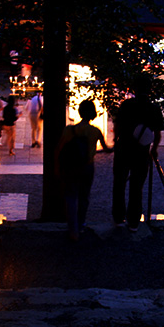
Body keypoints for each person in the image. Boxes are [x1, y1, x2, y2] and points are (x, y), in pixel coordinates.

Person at [112, 77, 164, 231]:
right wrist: (154, 149)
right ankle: (133, 221)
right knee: (137, 187)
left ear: (134, 89)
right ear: (149, 90)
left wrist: (116, 141)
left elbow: (118, 125)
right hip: (141, 151)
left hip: (123, 148)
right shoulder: (153, 108)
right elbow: (157, 133)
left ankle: (118, 217)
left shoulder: (126, 105)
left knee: (119, 183)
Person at [56, 100, 111, 241]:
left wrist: (57, 166)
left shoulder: (69, 130)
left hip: (71, 166)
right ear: (93, 113)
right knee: (84, 197)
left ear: (80, 112)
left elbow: (60, 149)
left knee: (71, 196)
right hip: (88, 166)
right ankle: (81, 224)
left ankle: (73, 230)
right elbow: (106, 149)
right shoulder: (96, 131)